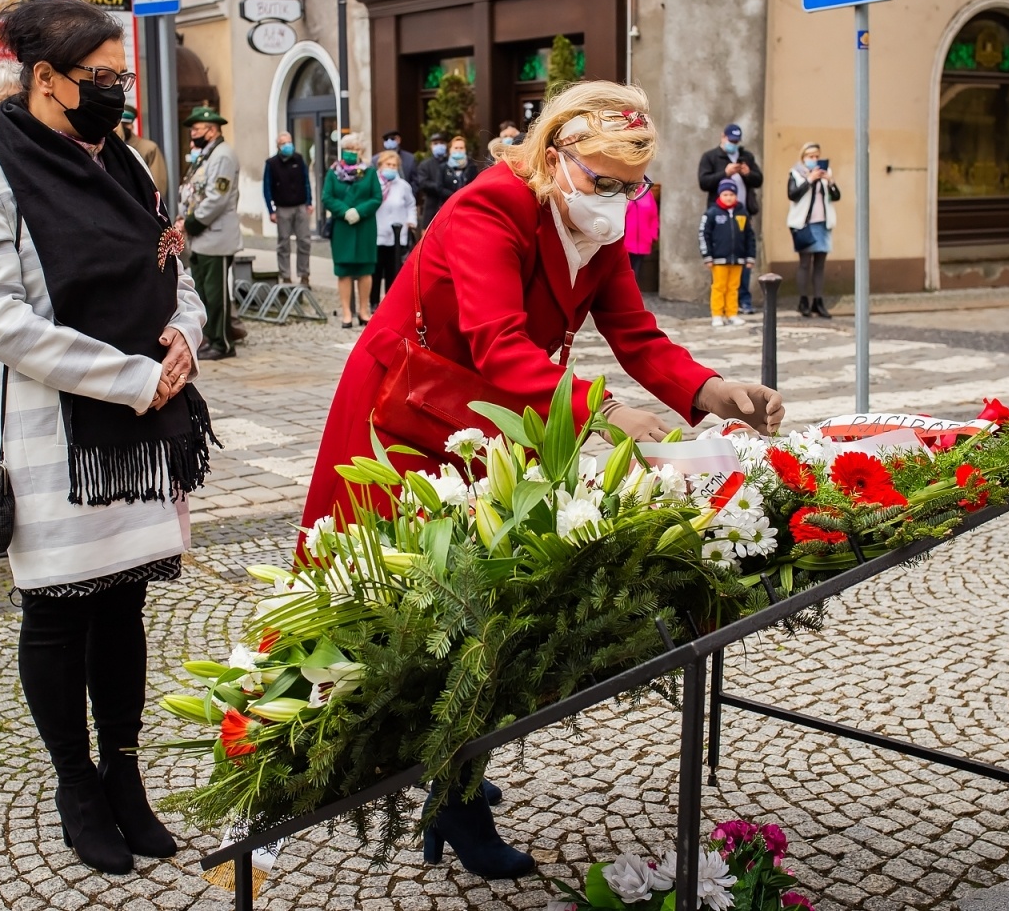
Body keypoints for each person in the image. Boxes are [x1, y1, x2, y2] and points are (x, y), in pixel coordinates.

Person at [300, 80, 784, 879]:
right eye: (602, 180)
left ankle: (459, 766)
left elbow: (636, 334)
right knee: (430, 600)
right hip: (406, 414)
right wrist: (603, 412)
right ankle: (447, 793)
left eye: (634, 185)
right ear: (553, 156)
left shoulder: (592, 225)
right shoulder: (487, 210)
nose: (619, 199)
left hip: (496, 414)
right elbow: (499, 344)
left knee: (486, 593)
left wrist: (709, 391)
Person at [0, 0, 216, 877]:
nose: (116, 95)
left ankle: (125, 775)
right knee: (59, 617)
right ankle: (76, 784)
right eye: (100, 80)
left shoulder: (125, 165)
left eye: (122, 79)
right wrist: (133, 377)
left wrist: (184, 338)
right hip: (55, 434)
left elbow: (175, 273)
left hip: (137, 435)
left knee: (124, 604)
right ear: (45, 79)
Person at [178, 106, 244, 361]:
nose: (193, 133)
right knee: (204, 293)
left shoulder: (223, 155)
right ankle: (210, 339)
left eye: (197, 129)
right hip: (202, 237)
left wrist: (192, 222)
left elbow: (217, 197)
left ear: (212, 129)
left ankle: (223, 343)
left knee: (217, 296)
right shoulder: (207, 155)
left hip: (216, 236)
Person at [697, 123, 764, 313]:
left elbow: (759, 180)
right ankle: (720, 308)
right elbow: (703, 182)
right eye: (730, 140)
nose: (733, 144)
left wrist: (747, 173)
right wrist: (724, 173)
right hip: (719, 215)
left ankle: (743, 301)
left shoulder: (746, 157)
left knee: (742, 258)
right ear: (723, 137)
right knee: (722, 263)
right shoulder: (710, 157)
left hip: (743, 213)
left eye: (736, 141)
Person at [321, 132, 381, 328]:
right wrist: (345, 211)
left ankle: (364, 311)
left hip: (364, 227)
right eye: (348, 149)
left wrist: (359, 211)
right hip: (342, 227)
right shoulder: (333, 173)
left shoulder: (370, 172)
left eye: (355, 149)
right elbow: (327, 197)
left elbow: (376, 197)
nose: (351, 152)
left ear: (361, 151)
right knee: (344, 271)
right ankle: (346, 312)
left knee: (365, 270)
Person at [787, 142, 840, 319]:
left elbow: (836, 196)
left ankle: (818, 302)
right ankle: (803, 302)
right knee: (805, 263)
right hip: (804, 224)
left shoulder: (826, 174)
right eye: (811, 157)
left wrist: (830, 182)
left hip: (823, 223)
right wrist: (810, 180)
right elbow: (793, 195)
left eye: (817, 156)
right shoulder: (796, 173)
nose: (814, 160)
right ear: (803, 158)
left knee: (820, 265)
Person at [699, 180, 754, 327]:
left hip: (738, 259)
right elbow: (704, 234)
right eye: (725, 194)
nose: (728, 197)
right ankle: (717, 314)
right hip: (719, 259)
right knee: (719, 287)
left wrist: (750, 256)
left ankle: (732, 313)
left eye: (731, 194)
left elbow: (750, 236)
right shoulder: (712, 213)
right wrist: (707, 256)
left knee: (734, 287)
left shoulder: (742, 213)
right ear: (719, 195)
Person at [369, 148, 417, 311]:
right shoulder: (373, 183)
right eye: (388, 164)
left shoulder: (403, 186)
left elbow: (411, 204)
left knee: (393, 271)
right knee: (375, 271)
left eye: (394, 165)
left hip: (397, 235)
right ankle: (373, 302)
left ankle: (390, 304)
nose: (391, 168)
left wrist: (411, 220)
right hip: (377, 233)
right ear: (381, 165)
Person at [263, 131, 312, 286]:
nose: (287, 145)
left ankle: (304, 274)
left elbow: (306, 181)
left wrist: (309, 201)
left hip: (300, 206)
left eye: (289, 142)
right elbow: (267, 188)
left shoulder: (298, 159)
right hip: (282, 208)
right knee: (283, 242)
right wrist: (271, 211)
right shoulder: (271, 163)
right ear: (278, 145)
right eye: (284, 143)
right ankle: (285, 275)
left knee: (304, 241)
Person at [418, 133, 478, 225]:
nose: (458, 150)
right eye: (456, 148)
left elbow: (475, 186)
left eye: (461, 148)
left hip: (466, 210)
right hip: (447, 209)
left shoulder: (471, 167)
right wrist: (455, 195)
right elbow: (439, 187)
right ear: (450, 149)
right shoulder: (443, 167)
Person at [118, 105, 168, 199]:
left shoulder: (148, 148)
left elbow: (157, 186)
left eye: (125, 125)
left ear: (131, 126)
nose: (121, 129)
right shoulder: (102, 147)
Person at [623, 179, 659, 282]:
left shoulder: (648, 194)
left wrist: (653, 235)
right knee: (626, 269)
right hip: (626, 241)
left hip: (643, 241)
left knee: (636, 270)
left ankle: (632, 292)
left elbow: (654, 216)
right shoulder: (627, 193)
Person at [378, 128, 417, 192]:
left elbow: (415, 181)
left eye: (392, 139)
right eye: (386, 139)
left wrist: (409, 193)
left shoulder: (410, 158)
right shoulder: (376, 159)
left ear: (398, 140)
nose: (389, 141)